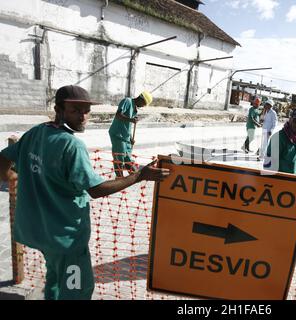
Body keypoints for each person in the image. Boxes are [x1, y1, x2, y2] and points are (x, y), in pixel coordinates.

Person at [0, 85, 170, 300]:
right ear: (59, 109)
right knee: (78, 290)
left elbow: (3, 158)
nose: (83, 116)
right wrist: (138, 176)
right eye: (75, 110)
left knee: (54, 275)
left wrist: (12, 177)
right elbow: (96, 190)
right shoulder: (72, 145)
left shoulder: (37, 132)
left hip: (37, 232)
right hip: (66, 239)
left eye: (86, 110)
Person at [108, 91, 153, 177]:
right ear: (141, 99)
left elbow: (127, 126)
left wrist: (131, 137)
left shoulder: (135, 109)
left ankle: (135, 177)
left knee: (128, 158)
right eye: (144, 104)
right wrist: (131, 120)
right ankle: (120, 179)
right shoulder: (127, 101)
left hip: (126, 136)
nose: (143, 106)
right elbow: (118, 115)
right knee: (119, 158)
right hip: (118, 134)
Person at [263, 108, 296, 175]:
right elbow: (269, 166)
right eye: (295, 121)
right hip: (280, 182)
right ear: (290, 120)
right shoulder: (278, 138)